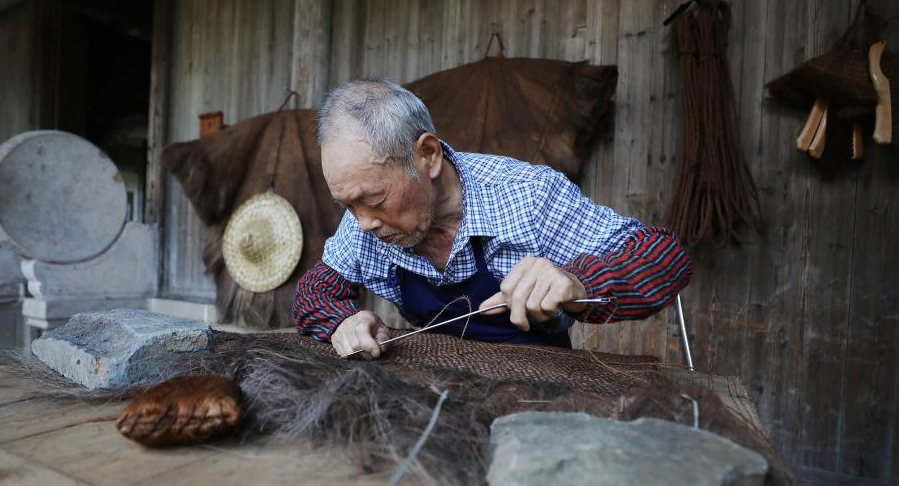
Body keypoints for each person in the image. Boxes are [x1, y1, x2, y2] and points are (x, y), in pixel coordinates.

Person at [292, 78, 692, 359]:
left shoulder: (528, 197)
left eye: (376, 200)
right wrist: (343, 322)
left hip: (542, 387)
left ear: (427, 156)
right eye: (348, 206)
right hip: (432, 379)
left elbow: (664, 258)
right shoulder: (366, 223)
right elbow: (314, 294)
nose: (363, 223)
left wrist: (577, 281)